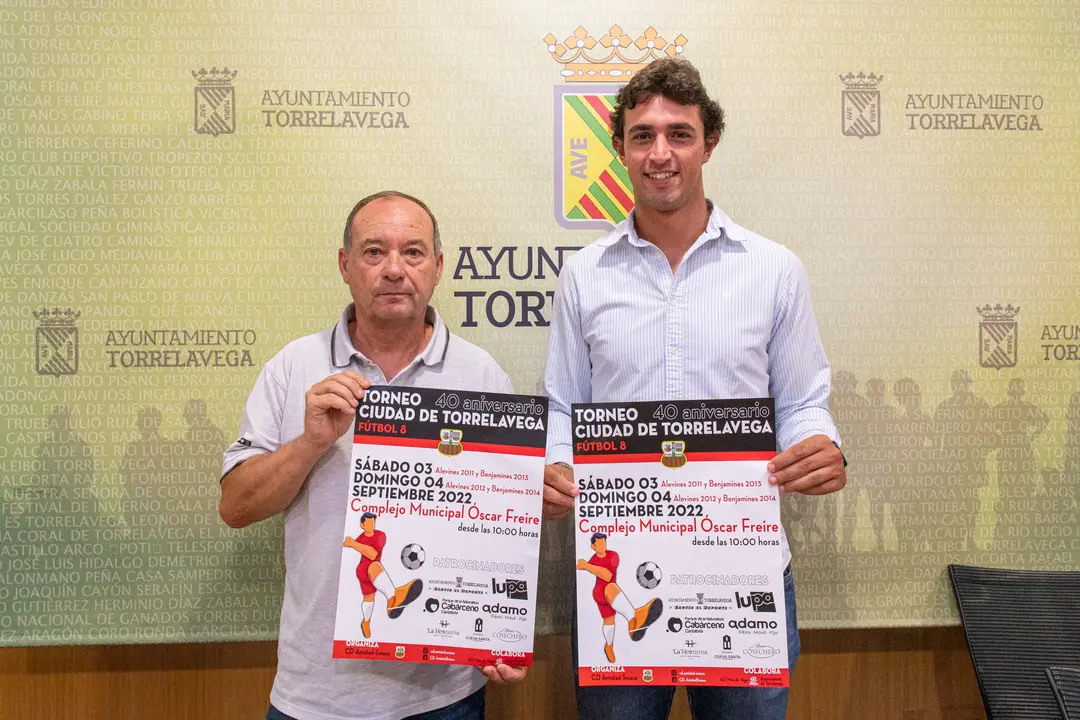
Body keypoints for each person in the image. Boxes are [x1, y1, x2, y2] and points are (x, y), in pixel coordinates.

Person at [541, 58, 847, 720]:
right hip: (622, 558)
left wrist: (819, 445)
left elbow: (801, 403)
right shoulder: (585, 275)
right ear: (620, 148)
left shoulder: (774, 269)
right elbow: (565, 405)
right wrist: (557, 462)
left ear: (709, 143)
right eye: (642, 136)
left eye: (679, 134)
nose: (661, 153)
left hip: (742, 566)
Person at [220, 191, 525, 720]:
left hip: (443, 694)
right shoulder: (294, 366)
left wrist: (499, 630)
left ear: (438, 267)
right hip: (315, 695)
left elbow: (501, 525)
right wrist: (311, 442)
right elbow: (236, 507)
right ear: (345, 265)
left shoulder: (480, 375)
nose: (394, 269)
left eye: (413, 252)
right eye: (374, 252)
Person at [576, 532, 662, 664]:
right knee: (610, 591)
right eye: (600, 543)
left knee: (609, 621)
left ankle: (609, 646)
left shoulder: (613, 556)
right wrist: (579, 565)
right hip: (600, 592)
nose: (603, 545)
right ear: (593, 546)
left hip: (610, 591)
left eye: (604, 542)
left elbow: (606, 575)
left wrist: (586, 565)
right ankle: (634, 618)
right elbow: (583, 567)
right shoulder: (594, 558)